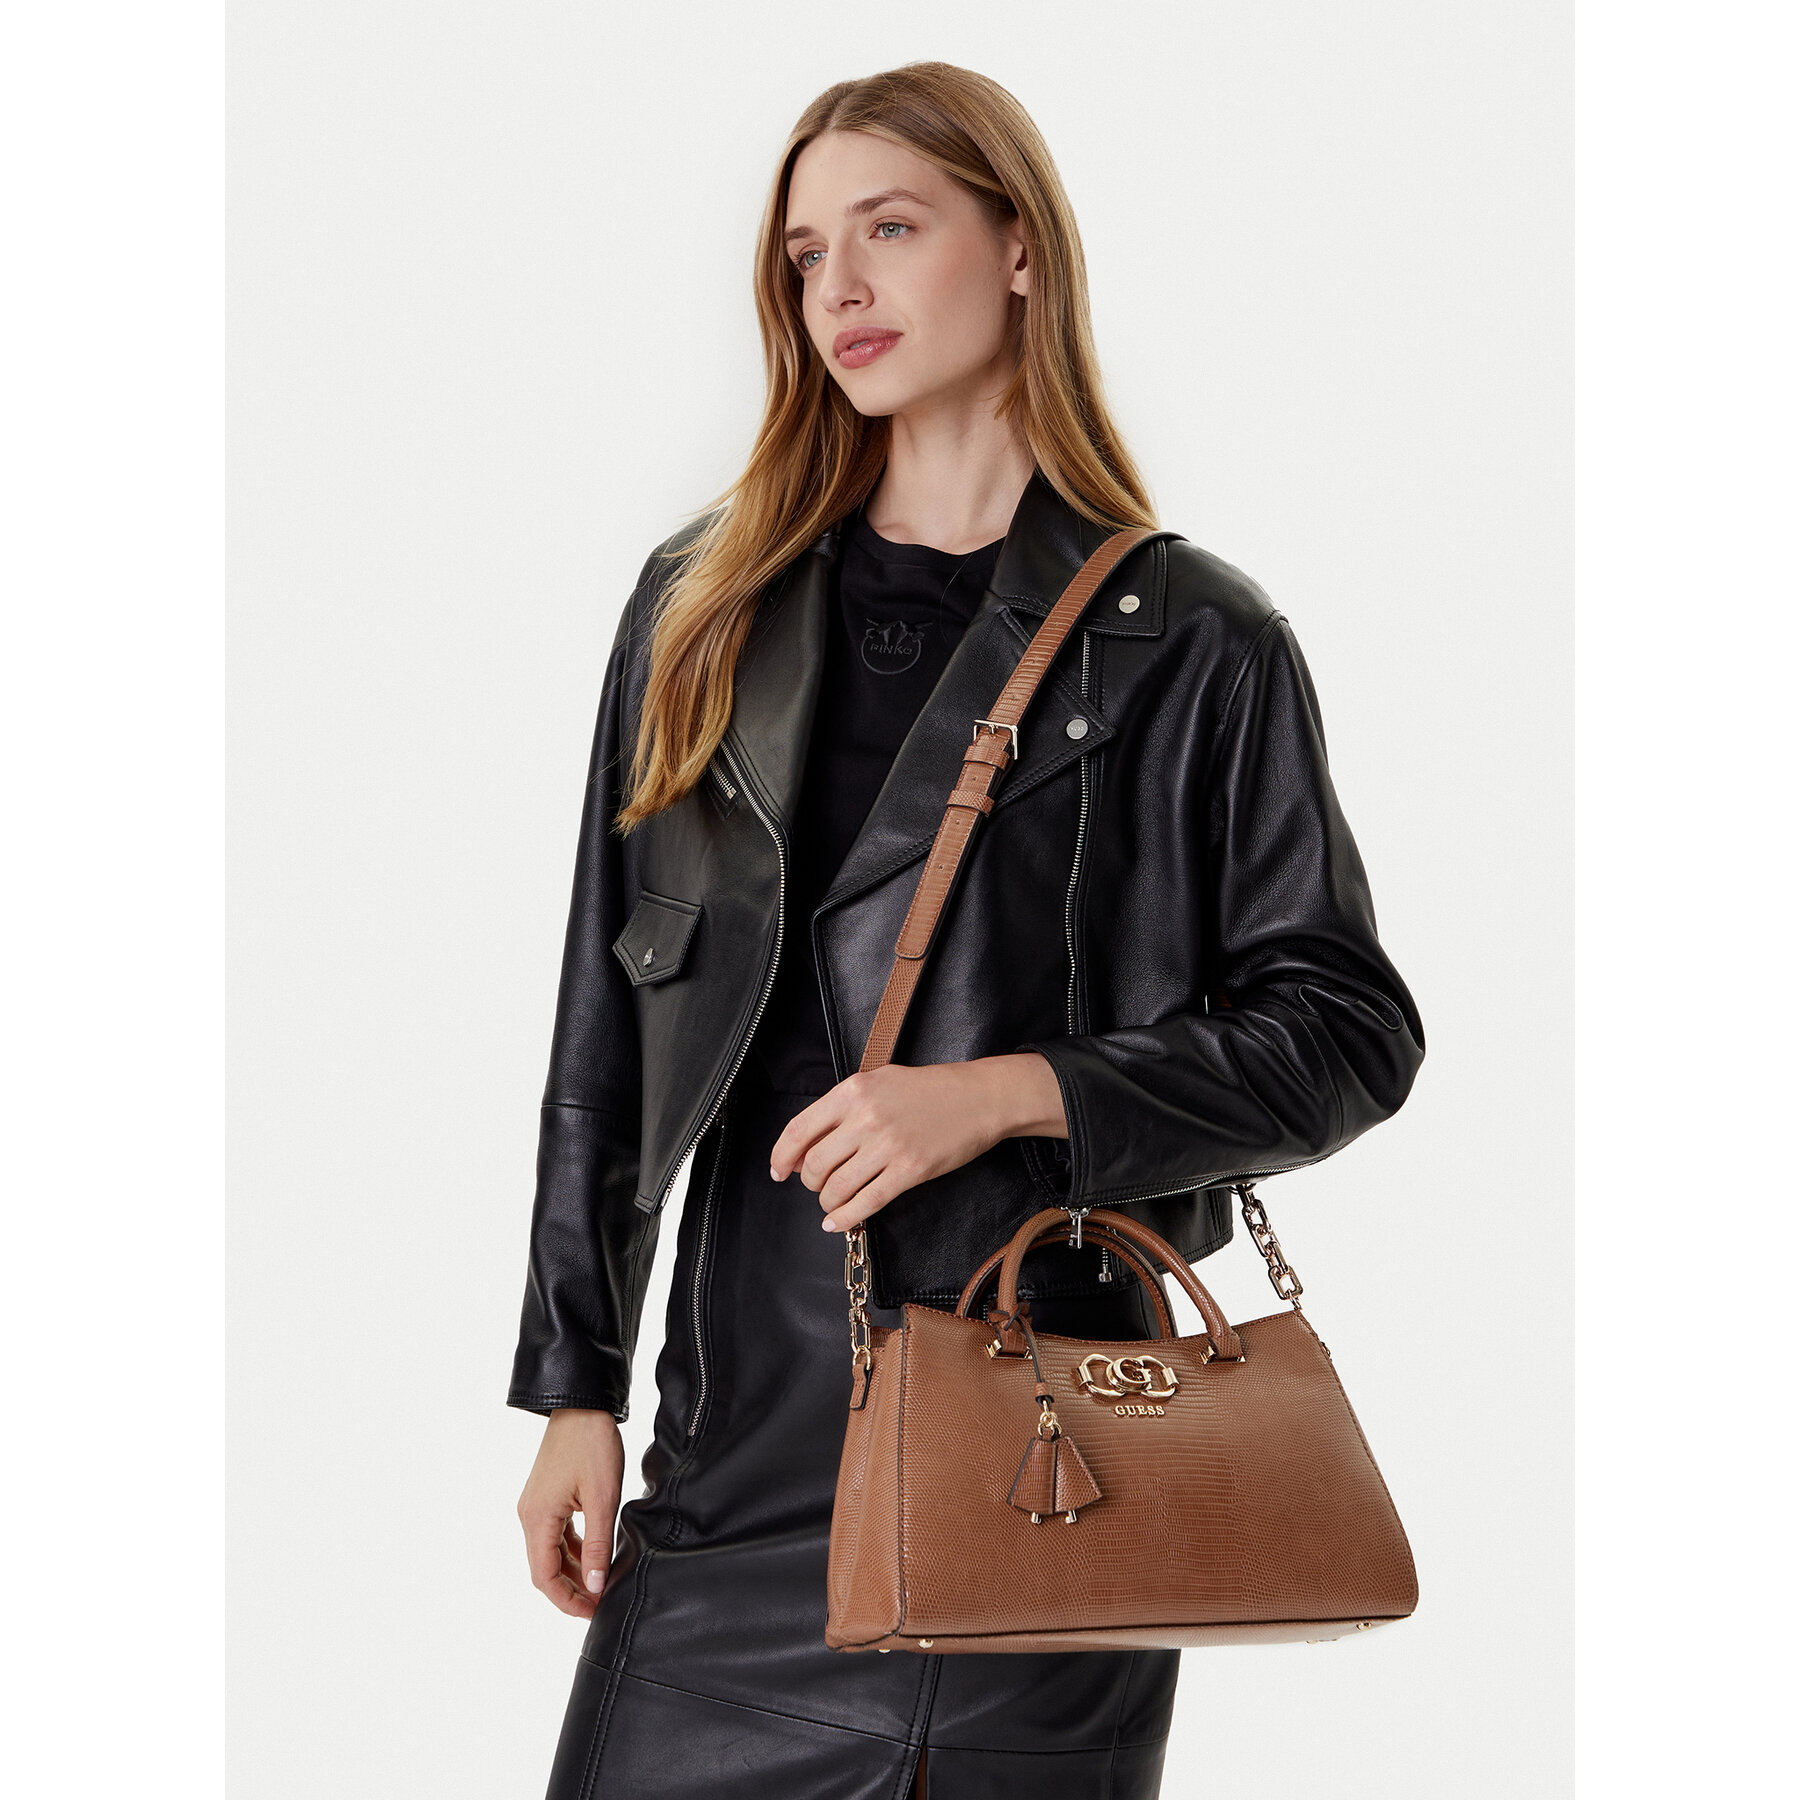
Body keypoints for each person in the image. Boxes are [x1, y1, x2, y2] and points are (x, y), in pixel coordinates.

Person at [509, 61, 1424, 1800]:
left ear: (1019, 250)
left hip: (1047, 1455)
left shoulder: (1193, 641)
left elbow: (1345, 1031)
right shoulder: (702, 607)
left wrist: (1005, 1095)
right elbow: (603, 1029)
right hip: (738, 1450)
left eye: (890, 228)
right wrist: (576, 1385)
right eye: (804, 255)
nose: (836, 287)